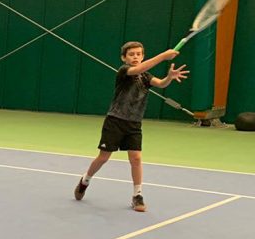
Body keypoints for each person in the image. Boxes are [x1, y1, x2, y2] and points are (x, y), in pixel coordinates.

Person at [74, 41, 188, 212]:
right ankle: (85, 180)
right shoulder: (124, 71)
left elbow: (161, 84)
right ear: (124, 57)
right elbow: (137, 70)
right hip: (115, 120)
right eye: (131, 54)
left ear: (143, 56)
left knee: (136, 158)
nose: (135, 57)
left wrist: (169, 78)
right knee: (104, 157)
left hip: (134, 123)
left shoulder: (146, 77)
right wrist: (164, 56)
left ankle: (137, 195)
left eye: (139, 54)